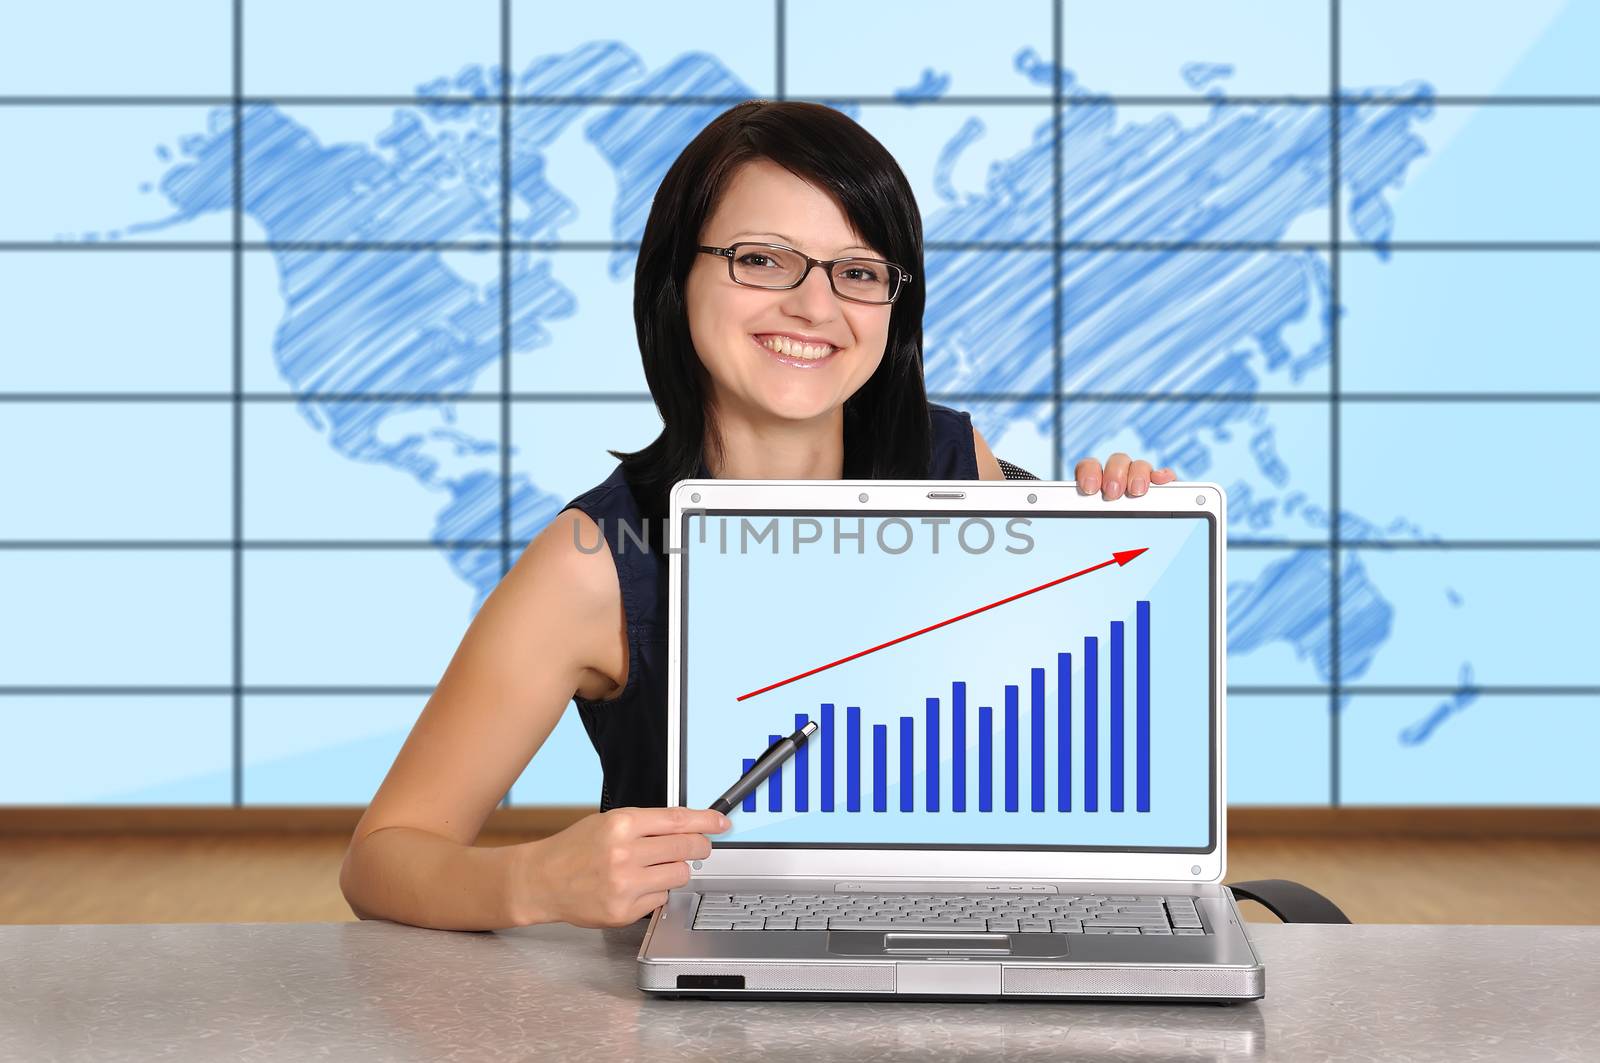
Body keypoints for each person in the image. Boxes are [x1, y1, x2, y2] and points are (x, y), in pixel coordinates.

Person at [339, 100, 1176, 932]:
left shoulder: (958, 468)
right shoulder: (596, 558)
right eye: (763, 259)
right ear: (677, 275)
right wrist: (535, 880)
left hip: (957, 964)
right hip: (706, 1009)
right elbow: (382, 856)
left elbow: (1053, 747)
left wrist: (1122, 537)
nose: (815, 307)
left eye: (857, 271)